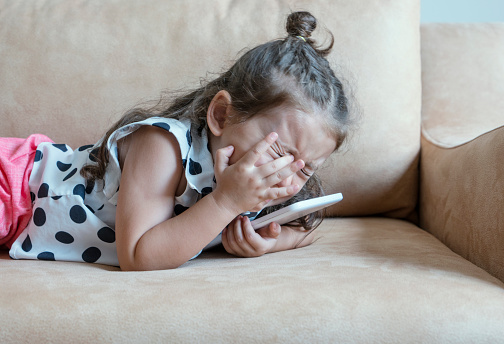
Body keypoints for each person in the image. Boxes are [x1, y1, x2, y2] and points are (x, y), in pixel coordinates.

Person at [0, 11, 351, 271]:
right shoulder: (163, 145)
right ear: (222, 116)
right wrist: (225, 204)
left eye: (306, 170)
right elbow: (138, 256)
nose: (287, 178)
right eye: (279, 152)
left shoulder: (264, 182)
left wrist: (268, 241)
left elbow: (302, 229)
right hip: (18, 188)